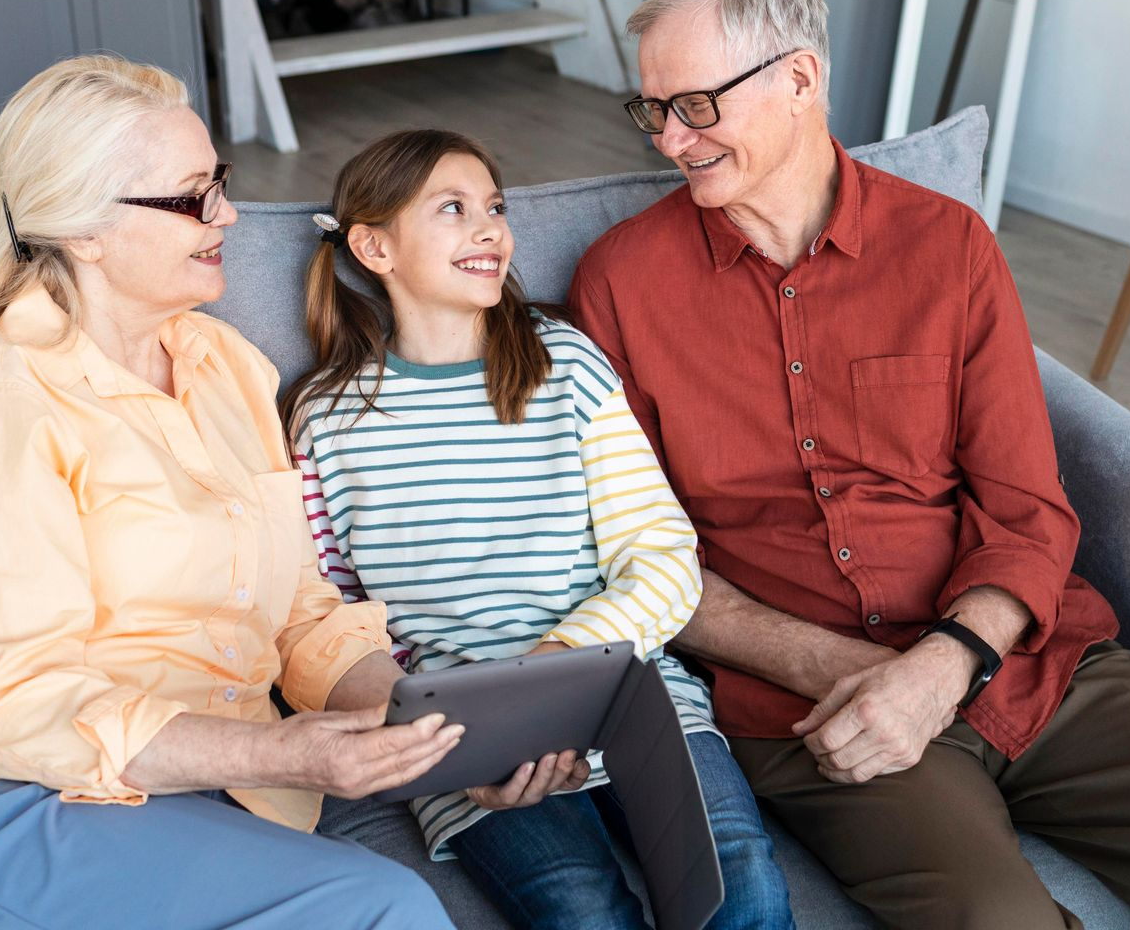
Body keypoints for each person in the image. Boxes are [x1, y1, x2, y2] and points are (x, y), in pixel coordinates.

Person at [568, 0, 1130, 929]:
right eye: (652, 109)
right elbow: (640, 560)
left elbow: (1023, 502)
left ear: (797, 77)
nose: (670, 139)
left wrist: (939, 665)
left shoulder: (946, 246)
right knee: (991, 919)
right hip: (805, 707)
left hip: (1032, 662)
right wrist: (841, 671)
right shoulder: (619, 286)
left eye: (694, 105)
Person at [0, 56, 461, 930]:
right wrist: (278, 752)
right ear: (82, 229)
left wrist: (434, 731)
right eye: (190, 197)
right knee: (380, 907)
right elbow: (13, 706)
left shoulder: (226, 367)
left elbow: (298, 613)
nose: (229, 215)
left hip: (186, 795)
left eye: (221, 183)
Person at [280, 128, 795, 930]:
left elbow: (661, 557)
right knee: (580, 913)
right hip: (461, 744)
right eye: (453, 209)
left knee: (742, 891)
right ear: (373, 246)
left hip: (627, 697)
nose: (489, 228)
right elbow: (328, 612)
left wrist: (555, 667)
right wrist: (459, 741)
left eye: (494, 206)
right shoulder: (327, 416)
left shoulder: (567, 367)